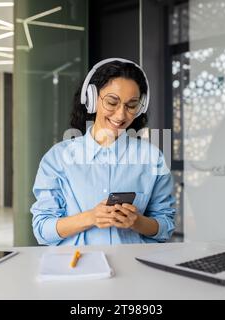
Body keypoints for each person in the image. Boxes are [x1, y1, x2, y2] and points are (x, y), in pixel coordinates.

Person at [30, 58, 176, 246]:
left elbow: (166, 226)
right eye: (112, 102)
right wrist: (90, 217)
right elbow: (42, 230)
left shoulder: (152, 158)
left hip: (134, 267)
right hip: (76, 267)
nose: (121, 115)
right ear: (91, 99)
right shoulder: (58, 158)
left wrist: (137, 222)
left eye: (131, 105)